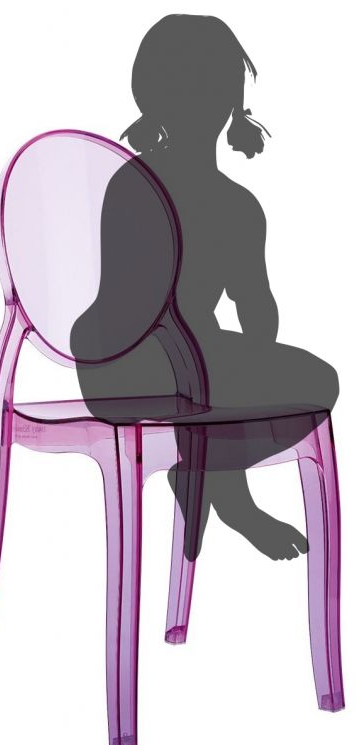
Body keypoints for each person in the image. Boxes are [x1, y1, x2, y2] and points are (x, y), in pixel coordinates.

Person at [71, 14, 339, 561]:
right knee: (305, 381)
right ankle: (224, 490)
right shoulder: (220, 203)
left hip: (116, 367)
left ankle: (207, 475)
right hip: (137, 365)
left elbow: (253, 314)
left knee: (229, 374)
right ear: (231, 101)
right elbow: (257, 317)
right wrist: (250, 341)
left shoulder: (141, 182)